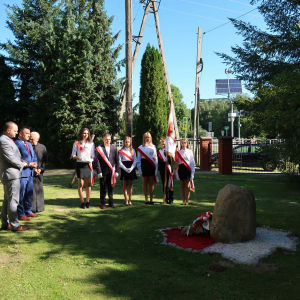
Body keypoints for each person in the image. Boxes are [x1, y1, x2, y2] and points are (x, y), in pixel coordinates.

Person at [0, 122, 30, 231]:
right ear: (8, 130)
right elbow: (10, 158)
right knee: (13, 201)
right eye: (15, 130)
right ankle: (15, 225)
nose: (17, 133)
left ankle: (6, 223)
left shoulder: (7, 140)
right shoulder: (3, 140)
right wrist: (22, 164)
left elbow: (12, 157)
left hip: (10, 174)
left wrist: (20, 161)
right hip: (11, 175)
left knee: (7, 201)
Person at [15, 126, 38, 220]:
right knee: (21, 194)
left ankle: (28, 211)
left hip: (31, 173)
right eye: (27, 133)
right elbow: (15, 158)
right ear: (20, 134)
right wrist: (29, 164)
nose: (29, 135)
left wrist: (35, 163)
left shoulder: (28, 143)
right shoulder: (16, 143)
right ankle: (20, 214)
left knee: (29, 193)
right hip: (23, 173)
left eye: (29, 133)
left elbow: (34, 155)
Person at [71, 128, 95, 209]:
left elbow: (93, 155)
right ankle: (82, 202)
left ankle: (88, 202)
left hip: (88, 164)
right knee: (81, 184)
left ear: (89, 134)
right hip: (80, 164)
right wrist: (79, 158)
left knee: (88, 184)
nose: (85, 135)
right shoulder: (76, 143)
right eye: (84, 133)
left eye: (87, 133)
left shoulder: (91, 143)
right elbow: (73, 155)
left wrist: (91, 159)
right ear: (81, 133)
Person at [94, 133, 119, 209]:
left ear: (110, 140)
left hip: (111, 172)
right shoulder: (99, 148)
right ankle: (103, 203)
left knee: (111, 188)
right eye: (106, 139)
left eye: (109, 139)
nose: (107, 141)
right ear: (103, 140)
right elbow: (97, 160)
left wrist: (117, 171)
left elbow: (117, 160)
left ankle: (111, 202)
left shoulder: (114, 148)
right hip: (103, 171)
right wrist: (99, 171)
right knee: (103, 188)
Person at [136, 132, 159, 205]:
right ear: (144, 138)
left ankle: (151, 200)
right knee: (145, 183)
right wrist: (139, 169)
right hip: (144, 165)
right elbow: (138, 160)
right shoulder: (140, 147)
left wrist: (156, 169)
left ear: (150, 138)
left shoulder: (153, 147)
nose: (147, 138)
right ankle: (146, 199)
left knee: (151, 183)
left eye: (148, 137)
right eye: (146, 137)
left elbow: (155, 159)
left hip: (151, 166)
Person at [29, 131, 48, 213]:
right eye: (30, 139)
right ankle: (32, 208)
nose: (31, 141)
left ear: (38, 139)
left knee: (39, 188)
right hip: (30, 171)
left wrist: (41, 169)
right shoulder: (28, 147)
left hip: (39, 172)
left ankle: (40, 207)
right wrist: (33, 169)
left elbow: (45, 160)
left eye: (33, 139)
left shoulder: (42, 147)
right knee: (31, 190)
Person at [118, 136, 137, 206]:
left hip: (131, 168)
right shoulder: (121, 151)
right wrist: (125, 168)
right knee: (125, 185)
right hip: (124, 168)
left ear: (130, 143)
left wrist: (131, 168)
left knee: (130, 185)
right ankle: (126, 200)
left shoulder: (133, 150)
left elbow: (135, 160)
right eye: (126, 142)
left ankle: (130, 200)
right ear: (124, 142)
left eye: (128, 142)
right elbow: (119, 161)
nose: (127, 143)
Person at [176, 138, 195, 205]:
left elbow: (192, 162)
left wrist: (192, 172)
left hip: (188, 170)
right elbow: (177, 163)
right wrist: (176, 173)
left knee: (187, 186)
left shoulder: (190, 152)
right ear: (180, 144)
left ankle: (187, 201)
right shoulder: (178, 152)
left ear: (187, 144)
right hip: (181, 169)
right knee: (181, 186)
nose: (183, 144)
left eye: (185, 143)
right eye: (182, 143)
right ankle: (183, 201)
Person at [158, 138, 174, 205]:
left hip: (169, 170)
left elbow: (173, 161)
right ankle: (165, 199)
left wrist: (169, 160)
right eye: (162, 144)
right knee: (164, 185)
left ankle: (171, 200)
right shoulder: (159, 152)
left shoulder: (170, 152)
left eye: (164, 144)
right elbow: (158, 161)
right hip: (163, 170)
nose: (163, 145)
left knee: (170, 185)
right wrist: (163, 161)